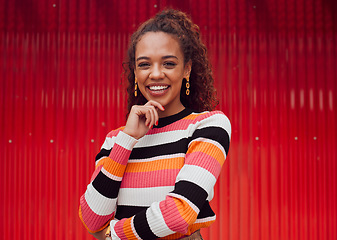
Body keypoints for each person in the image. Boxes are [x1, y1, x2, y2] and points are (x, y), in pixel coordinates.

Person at [79, 9, 231, 240]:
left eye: (168, 63)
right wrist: (128, 139)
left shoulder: (207, 126)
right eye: (144, 64)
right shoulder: (116, 140)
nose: (156, 74)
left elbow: (179, 213)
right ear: (135, 72)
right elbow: (92, 218)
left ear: (186, 69)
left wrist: (114, 235)